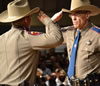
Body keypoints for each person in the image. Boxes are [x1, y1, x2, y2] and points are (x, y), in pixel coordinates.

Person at [0, 0, 63, 86]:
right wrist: (48, 20)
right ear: (27, 20)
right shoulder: (27, 37)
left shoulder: (1, 38)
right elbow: (57, 38)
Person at [51, 0, 100, 86]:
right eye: (71, 14)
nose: (73, 18)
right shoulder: (69, 32)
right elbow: (49, 38)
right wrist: (51, 22)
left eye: (77, 14)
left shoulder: (97, 35)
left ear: (87, 15)